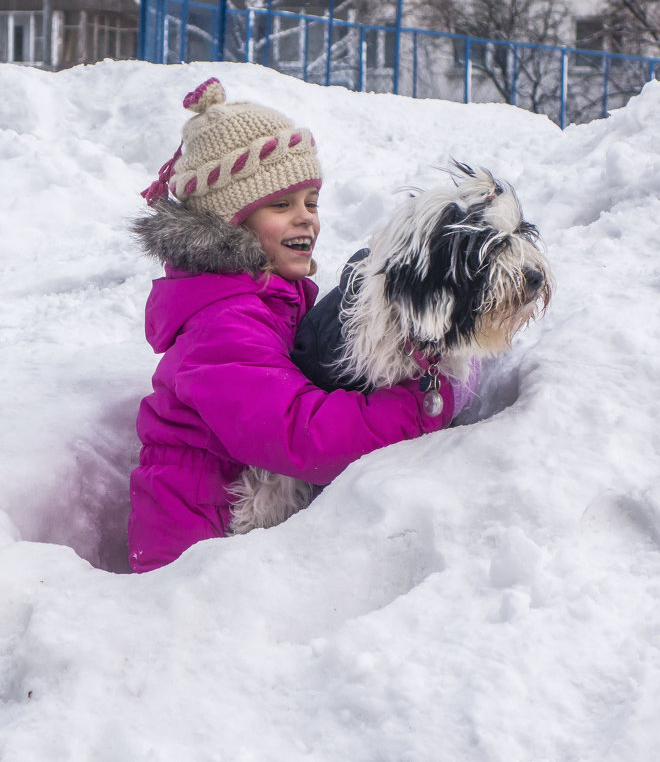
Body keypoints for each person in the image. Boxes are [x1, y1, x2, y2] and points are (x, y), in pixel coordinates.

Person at [128, 77, 462, 573]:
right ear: (229, 226)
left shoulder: (270, 299)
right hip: (191, 548)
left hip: (226, 525)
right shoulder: (223, 323)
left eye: (311, 201)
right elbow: (302, 436)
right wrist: (418, 406)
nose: (305, 219)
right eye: (281, 205)